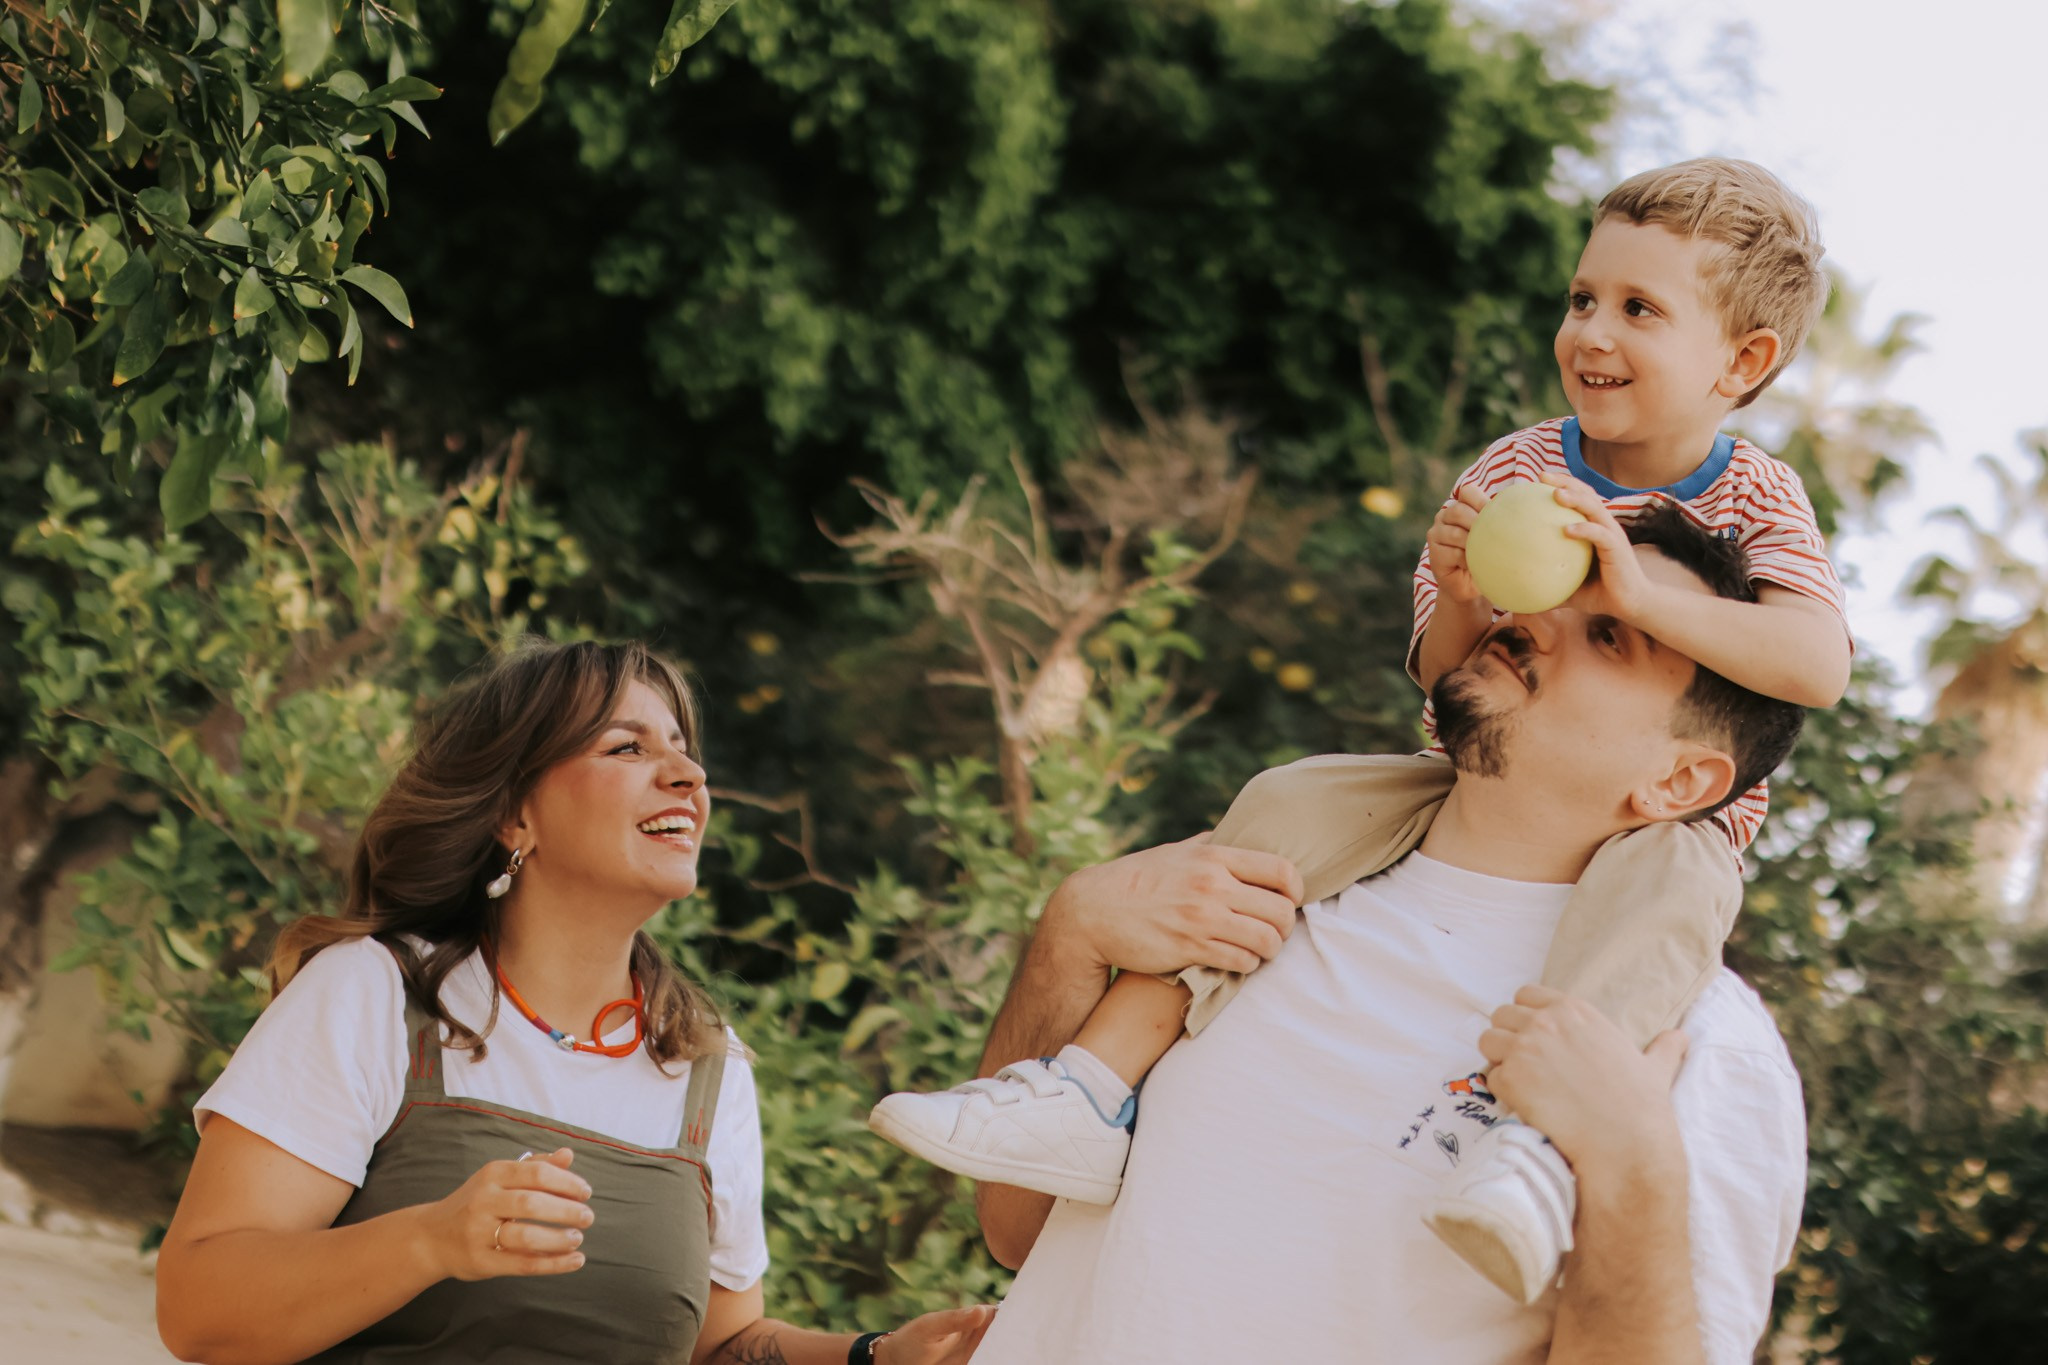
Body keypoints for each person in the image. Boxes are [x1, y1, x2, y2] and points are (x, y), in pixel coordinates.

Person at [867, 157, 1848, 1304]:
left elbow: (1815, 664)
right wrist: (1473, 608)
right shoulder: (1518, 466)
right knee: (1292, 802)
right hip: (1446, 779)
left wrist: (1639, 600)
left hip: (1670, 840)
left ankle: (1530, 1150)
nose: (1591, 331)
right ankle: (1084, 1085)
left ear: (1741, 363)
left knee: (1661, 915)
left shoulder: (1756, 495)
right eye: (1582, 298)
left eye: (1639, 310)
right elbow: (1444, 678)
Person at [963, 505, 1811, 1364]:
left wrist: (1631, 1168)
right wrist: (1068, 937)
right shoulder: (1251, 883)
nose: (1536, 616)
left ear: (1679, 780)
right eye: (1562, 586)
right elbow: (1014, 1224)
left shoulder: (1691, 1046)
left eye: (1612, 636)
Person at [155, 640, 993, 1365]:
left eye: (684, 751)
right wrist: (431, 1238)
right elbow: (199, 1307)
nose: (688, 774)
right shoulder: (374, 993)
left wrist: (873, 1355)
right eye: (626, 746)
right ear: (515, 814)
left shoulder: (706, 1064)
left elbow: (721, 1342)